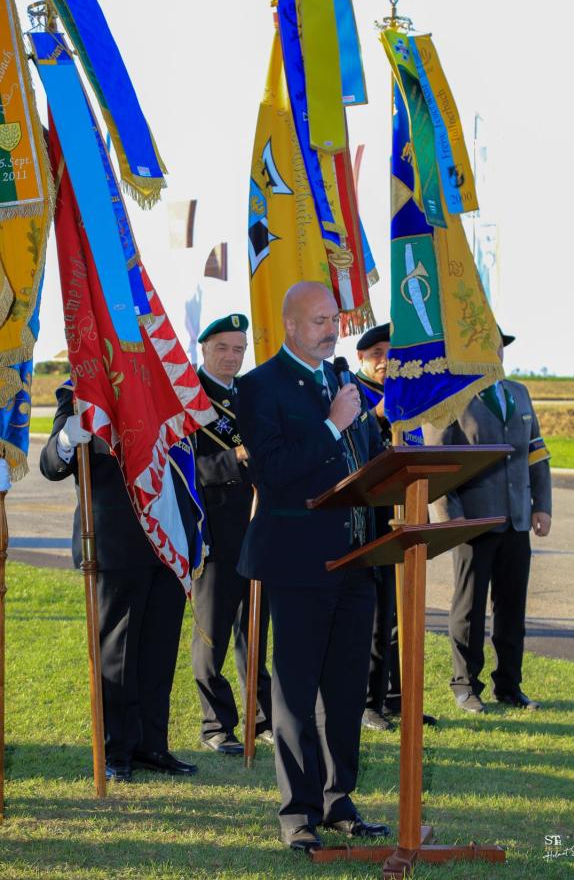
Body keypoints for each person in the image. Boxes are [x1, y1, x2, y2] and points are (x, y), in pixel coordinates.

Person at [237, 282, 389, 854]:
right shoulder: (259, 387)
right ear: (291, 326)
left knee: (346, 689)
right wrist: (331, 425)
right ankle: (297, 812)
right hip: (298, 560)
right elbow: (273, 470)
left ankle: (337, 799)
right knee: (297, 691)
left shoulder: (342, 380)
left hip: (356, 558)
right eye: (321, 320)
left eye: (335, 318)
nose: (333, 329)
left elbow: (366, 460)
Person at [40, 382, 198, 781]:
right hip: (116, 543)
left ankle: (152, 746)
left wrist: (197, 534)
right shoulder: (80, 394)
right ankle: (117, 750)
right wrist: (64, 439)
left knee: (158, 653)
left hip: (167, 539)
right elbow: (51, 466)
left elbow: (186, 464)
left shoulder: (160, 387)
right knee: (118, 655)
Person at [423, 328, 552, 714]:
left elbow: (537, 454)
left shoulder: (519, 393)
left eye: (496, 347)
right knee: (470, 608)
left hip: (516, 519)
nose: (492, 353)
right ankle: (466, 685)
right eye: (482, 346)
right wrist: (450, 519)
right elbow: (438, 462)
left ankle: (509, 685)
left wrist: (541, 505)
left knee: (512, 606)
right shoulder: (451, 397)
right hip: (473, 522)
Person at [191, 313, 272, 755]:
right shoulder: (188, 398)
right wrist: (235, 458)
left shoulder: (252, 395)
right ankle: (215, 725)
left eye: (239, 349)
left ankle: (262, 718)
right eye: (223, 347)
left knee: (255, 630)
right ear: (204, 349)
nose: (231, 357)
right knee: (213, 634)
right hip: (215, 533)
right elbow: (183, 469)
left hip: (259, 529)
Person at [356, 324, 436, 731]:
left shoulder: (410, 395)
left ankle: (400, 696)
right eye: (375, 353)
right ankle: (369, 701)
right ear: (361, 360)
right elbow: (350, 443)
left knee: (404, 611)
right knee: (376, 613)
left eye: (391, 351)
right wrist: (378, 414)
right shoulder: (353, 393)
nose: (385, 360)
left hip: (408, 513)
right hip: (371, 518)